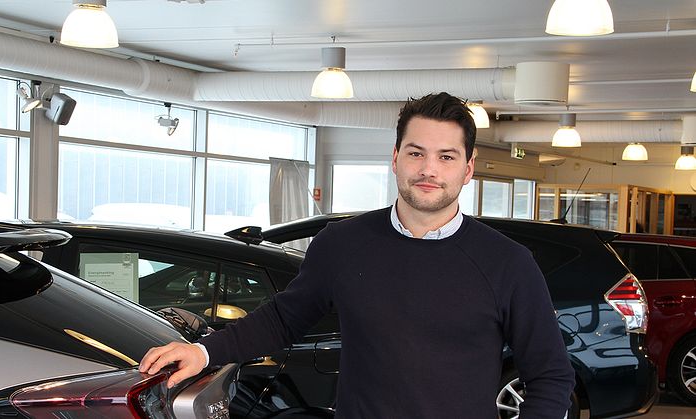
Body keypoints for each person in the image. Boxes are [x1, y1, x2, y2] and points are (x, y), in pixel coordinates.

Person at [140, 92, 575, 418]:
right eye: (416, 153)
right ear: (395, 158)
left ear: (468, 168)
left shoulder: (508, 263)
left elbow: (551, 376)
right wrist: (205, 352)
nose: (429, 169)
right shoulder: (342, 244)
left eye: (446, 156)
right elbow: (283, 319)